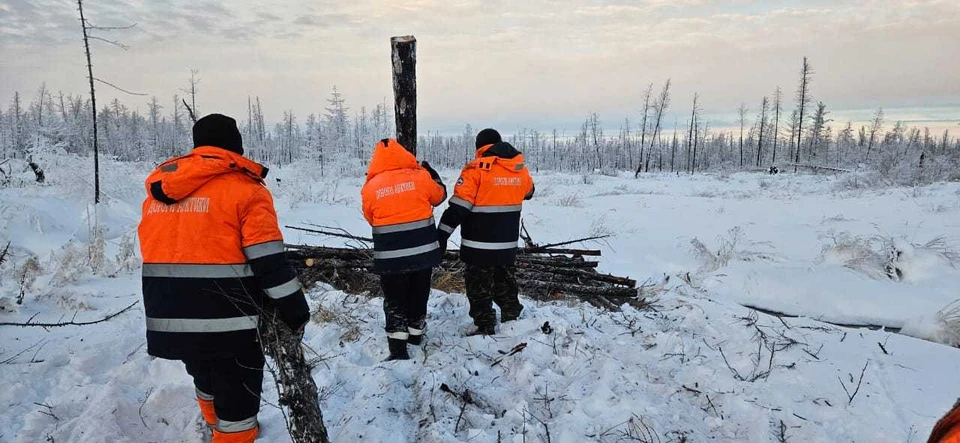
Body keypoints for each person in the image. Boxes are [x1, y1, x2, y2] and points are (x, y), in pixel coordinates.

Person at [138, 114, 309, 443]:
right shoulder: (246, 190)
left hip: (170, 315)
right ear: (235, 145)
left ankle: (214, 423)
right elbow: (268, 261)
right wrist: (294, 307)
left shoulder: (158, 193)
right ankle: (233, 435)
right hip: (228, 319)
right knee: (237, 396)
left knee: (203, 372)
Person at [437, 128, 534, 336]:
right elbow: (529, 192)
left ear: (479, 148)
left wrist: (442, 234)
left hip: (478, 245)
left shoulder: (476, 170)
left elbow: (458, 209)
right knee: (505, 281)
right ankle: (512, 317)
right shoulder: (518, 168)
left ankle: (484, 324)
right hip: (507, 244)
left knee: (478, 286)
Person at [361, 138, 447, 360]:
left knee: (394, 298)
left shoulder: (370, 187)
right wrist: (433, 175)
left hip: (390, 256)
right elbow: (439, 197)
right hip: (423, 251)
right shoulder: (420, 176)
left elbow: (370, 217)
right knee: (419, 292)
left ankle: (398, 348)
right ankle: (416, 334)